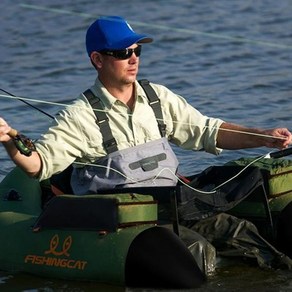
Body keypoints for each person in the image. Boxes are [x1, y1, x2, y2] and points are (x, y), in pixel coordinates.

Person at [1, 15, 292, 270]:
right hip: (129, 222)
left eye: (136, 50)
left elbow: (209, 131)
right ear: (97, 60)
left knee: (243, 232)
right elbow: (38, 165)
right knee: (197, 251)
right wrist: (9, 139)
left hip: (178, 207)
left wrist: (263, 137)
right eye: (121, 52)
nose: (133, 58)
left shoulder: (158, 97)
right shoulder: (78, 116)